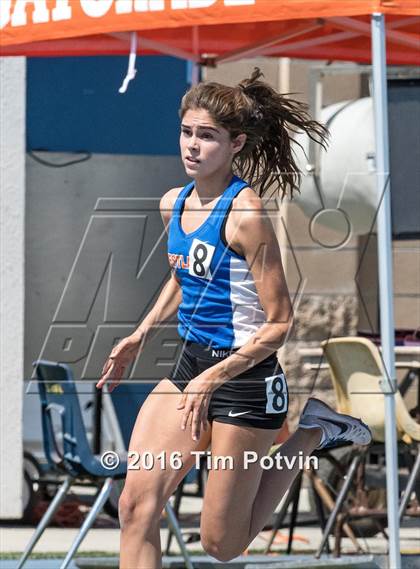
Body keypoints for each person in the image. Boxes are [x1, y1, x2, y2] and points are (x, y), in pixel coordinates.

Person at [96, 68, 372, 568]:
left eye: (208, 136)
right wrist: (140, 334)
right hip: (190, 367)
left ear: (236, 143)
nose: (193, 146)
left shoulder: (246, 215)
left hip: (246, 376)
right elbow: (186, 276)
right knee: (136, 505)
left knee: (222, 545)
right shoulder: (173, 204)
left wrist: (214, 379)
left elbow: (280, 322)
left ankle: (312, 431)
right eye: (187, 132)